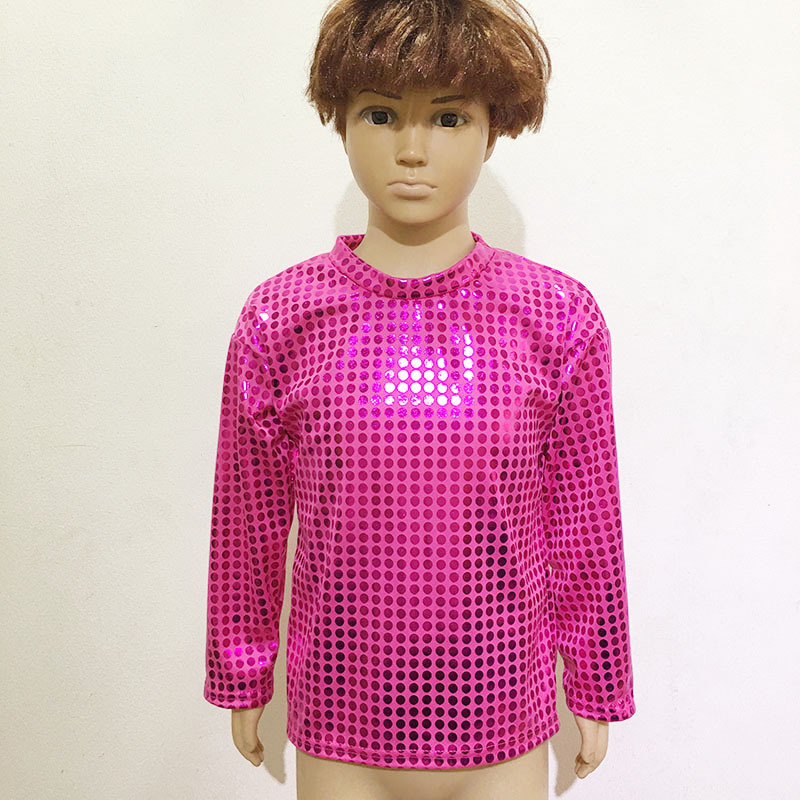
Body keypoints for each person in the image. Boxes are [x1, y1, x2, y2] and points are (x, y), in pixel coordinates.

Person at [203, 2, 636, 798]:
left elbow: (584, 521)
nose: (411, 148)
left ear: (492, 130)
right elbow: (247, 520)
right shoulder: (283, 317)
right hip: (341, 719)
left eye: (447, 117)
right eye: (380, 114)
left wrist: (597, 680)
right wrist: (243, 672)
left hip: (502, 717)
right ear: (340, 122)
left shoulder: (554, 317)